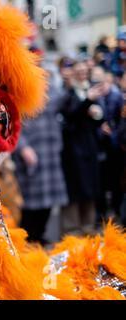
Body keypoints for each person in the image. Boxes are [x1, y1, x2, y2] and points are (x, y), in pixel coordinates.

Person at [13, 81, 68, 245]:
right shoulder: (18, 94)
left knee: (49, 201)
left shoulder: (50, 89)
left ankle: (39, 236)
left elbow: (63, 98)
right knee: (29, 201)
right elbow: (12, 123)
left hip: (50, 152)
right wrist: (22, 147)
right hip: (30, 153)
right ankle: (27, 238)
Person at [59, 60, 104, 236]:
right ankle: (72, 229)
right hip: (73, 148)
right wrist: (87, 102)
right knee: (75, 188)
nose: (83, 74)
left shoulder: (90, 90)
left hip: (90, 146)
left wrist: (97, 115)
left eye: (85, 71)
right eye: (79, 71)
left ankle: (88, 226)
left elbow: (98, 118)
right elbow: (70, 118)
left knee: (91, 187)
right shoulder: (68, 94)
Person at [93, 67, 124, 223]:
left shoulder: (117, 97)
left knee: (116, 181)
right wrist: (100, 129)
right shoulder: (94, 96)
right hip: (99, 146)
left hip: (115, 146)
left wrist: (112, 132)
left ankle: (116, 211)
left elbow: (121, 121)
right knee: (100, 182)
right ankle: (101, 214)